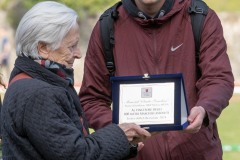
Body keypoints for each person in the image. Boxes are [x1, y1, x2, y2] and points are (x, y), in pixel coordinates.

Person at [79, 0, 234, 159]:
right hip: (136, 154)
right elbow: (91, 99)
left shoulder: (199, 16)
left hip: (197, 153)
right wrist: (120, 130)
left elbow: (218, 78)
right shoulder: (107, 25)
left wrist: (204, 108)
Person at [1, 1, 151, 160]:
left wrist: (124, 144)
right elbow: (77, 155)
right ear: (43, 48)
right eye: (71, 47)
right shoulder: (40, 94)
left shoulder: (29, 80)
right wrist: (120, 135)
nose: (78, 53)